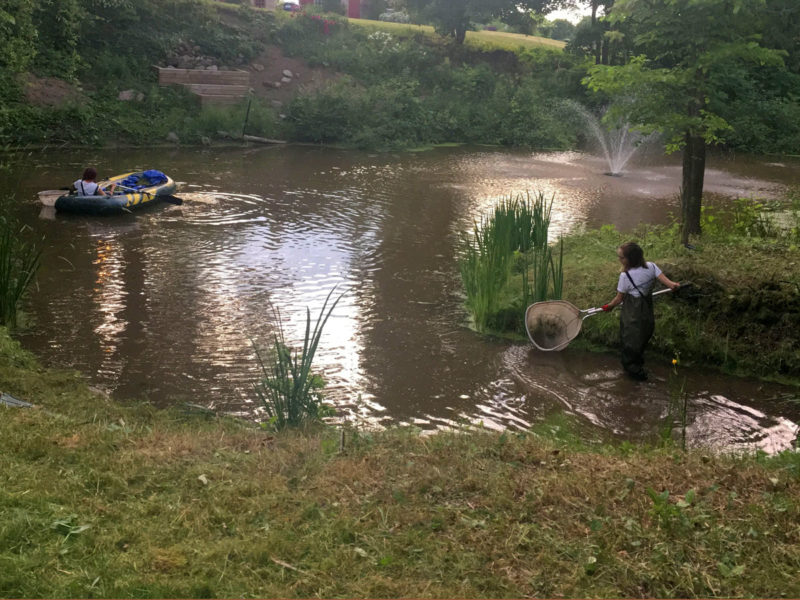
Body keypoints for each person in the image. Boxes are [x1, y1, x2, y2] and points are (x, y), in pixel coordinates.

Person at [601, 242, 680, 380]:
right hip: (646, 308)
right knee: (643, 333)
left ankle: (633, 373)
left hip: (632, 311)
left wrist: (609, 306)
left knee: (629, 338)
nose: (619, 260)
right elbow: (669, 284)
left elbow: (619, 299)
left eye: (621, 257)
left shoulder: (625, 276)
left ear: (630, 259)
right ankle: (637, 365)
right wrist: (674, 285)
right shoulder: (651, 266)